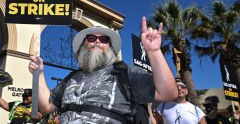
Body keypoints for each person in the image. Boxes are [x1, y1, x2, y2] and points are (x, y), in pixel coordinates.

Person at [28, 17, 178, 123]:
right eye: (91, 38)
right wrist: (39, 74)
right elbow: (47, 106)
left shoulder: (124, 72)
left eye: (104, 39)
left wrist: (153, 52)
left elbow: (168, 92)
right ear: (84, 46)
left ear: (110, 48)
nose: (97, 41)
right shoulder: (71, 78)